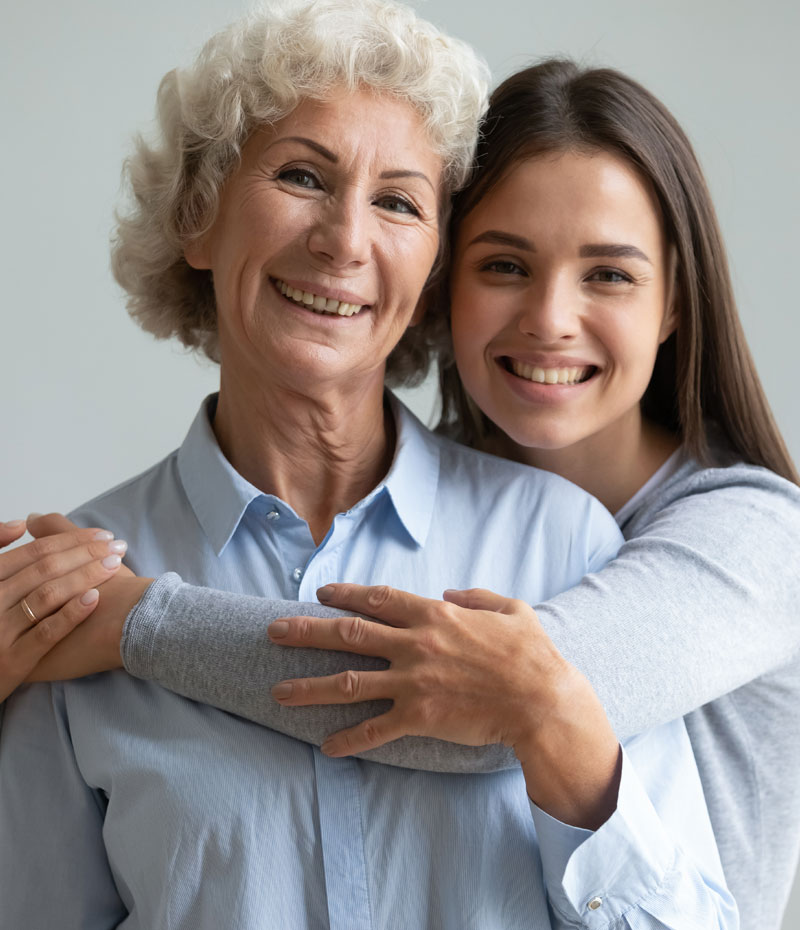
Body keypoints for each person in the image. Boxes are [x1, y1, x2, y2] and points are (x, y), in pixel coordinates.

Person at [8, 53, 799, 928]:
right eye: (503, 265)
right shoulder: (60, 583)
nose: (548, 319)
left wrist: (132, 623)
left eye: (396, 201)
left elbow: (479, 702)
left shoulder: (738, 535)